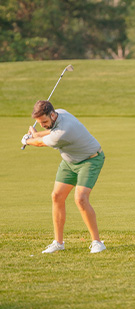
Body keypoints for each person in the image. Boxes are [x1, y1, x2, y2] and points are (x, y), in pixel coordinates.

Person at [21, 100, 106, 254]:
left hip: (90, 160)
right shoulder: (61, 112)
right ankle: (58, 242)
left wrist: (27, 140)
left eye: (44, 121)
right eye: (39, 123)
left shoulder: (63, 133)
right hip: (69, 161)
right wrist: (37, 133)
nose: (42, 125)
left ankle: (97, 242)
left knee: (80, 198)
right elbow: (48, 132)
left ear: (52, 115)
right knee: (57, 196)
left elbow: (41, 143)